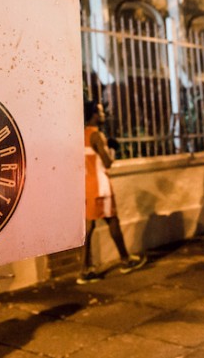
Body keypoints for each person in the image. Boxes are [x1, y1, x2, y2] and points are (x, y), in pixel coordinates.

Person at [78, 101, 146, 284]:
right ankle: (125, 260)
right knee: (113, 221)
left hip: (87, 186)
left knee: (89, 228)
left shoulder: (81, 135)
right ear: (93, 114)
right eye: (100, 111)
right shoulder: (97, 135)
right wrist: (113, 149)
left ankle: (85, 270)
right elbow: (107, 162)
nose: (103, 114)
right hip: (101, 187)